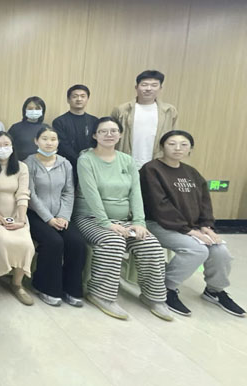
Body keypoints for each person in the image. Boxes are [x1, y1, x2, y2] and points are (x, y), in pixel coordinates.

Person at [74, 117, 171, 321]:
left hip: (124, 220)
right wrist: (106, 223)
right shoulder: (86, 160)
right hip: (91, 218)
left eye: (113, 131)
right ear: (95, 135)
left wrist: (139, 222)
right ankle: (100, 294)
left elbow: (136, 193)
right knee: (113, 241)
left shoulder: (127, 160)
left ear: (120, 135)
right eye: (103, 131)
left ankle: (154, 297)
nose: (109, 135)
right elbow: (91, 194)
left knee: (151, 244)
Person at [140, 130, 244, 317]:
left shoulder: (192, 172)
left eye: (184, 144)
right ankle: (165, 288)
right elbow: (159, 205)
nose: (178, 148)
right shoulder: (151, 170)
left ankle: (214, 291)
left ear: (190, 149)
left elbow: (205, 202)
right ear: (162, 146)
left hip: (191, 227)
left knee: (221, 251)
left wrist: (206, 226)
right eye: (172, 144)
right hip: (159, 224)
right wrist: (188, 231)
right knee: (196, 250)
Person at [24, 126, 86, 307]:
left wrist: (63, 216)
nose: (49, 143)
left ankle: (71, 289)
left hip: (61, 215)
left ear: (58, 142)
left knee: (77, 242)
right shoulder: (28, 163)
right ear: (36, 141)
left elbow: (68, 192)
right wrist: (49, 219)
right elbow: (31, 195)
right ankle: (45, 287)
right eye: (44, 139)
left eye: (53, 139)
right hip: (35, 214)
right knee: (54, 242)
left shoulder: (65, 164)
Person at [0, 132, 36, 305]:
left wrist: (21, 220)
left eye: (6, 144)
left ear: (13, 147)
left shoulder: (22, 167)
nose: (3, 148)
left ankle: (17, 284)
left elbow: (23, 194)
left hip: (16, 216)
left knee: (27, 244)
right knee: (3, 242)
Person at [111, 70, 178, 169]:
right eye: (144, 85)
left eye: (154, 85)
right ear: (136, 87)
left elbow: (173, 138)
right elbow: (112, 137)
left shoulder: (169, 111)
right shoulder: (122, 110)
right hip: (125, 162)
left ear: (160, 88)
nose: (149, 89)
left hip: (157, 164)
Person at [52, 84, 98, 183]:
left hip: (90, 166)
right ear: (68, 100)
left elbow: (96, 144)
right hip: (67, 166)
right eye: (75, 96)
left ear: (87, 99)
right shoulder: (59, 121)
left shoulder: (94, 121)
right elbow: (63, 146)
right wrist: (80, 161)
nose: (79, 99)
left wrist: (88, 162)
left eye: (83, 96)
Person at [8, 96, 45, 160]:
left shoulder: (46, 129)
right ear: (24, 110)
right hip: (20, 163)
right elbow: (8, 147)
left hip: (41, 163)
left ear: (42, 111)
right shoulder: (15, 128)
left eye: (37, 108)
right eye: (30, 108)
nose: (34, 111)